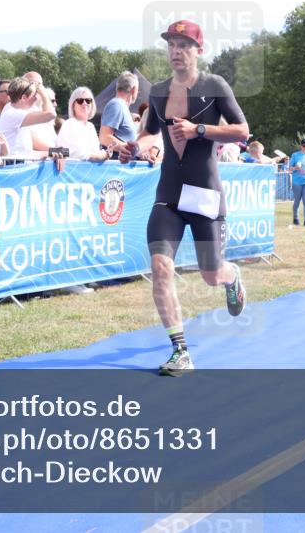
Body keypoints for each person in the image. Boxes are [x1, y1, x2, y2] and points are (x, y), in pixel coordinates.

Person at [114, 19, 249, 376]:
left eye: (184, 45)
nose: (176, 51)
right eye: (172, 44)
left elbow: (242, 131)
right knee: (161, 267)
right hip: (169, 196)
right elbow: (150, 133)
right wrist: (134, 147)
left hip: (204, 195)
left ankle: (230, 275)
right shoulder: (158, 92)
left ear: (198, 50)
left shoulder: (214, 85)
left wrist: (199, 129)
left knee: (211, 274)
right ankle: (180, 351)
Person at [0, 76, 57, 158]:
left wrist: (60, 152)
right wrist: (44, 93)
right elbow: (51, 114)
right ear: (23, 97)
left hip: (16, 163)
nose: (36, 98)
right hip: (13, 165)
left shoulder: (13, 112)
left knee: (64, 152)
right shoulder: (13, 114)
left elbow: (27, 152)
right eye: (34, 95)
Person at [57, 86, 108, 161]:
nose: (84, 103)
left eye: (88, 100)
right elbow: (78, 154)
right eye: (80, 100)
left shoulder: (90, 126)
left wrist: (105, 153)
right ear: (73, 105)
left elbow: (95, 152)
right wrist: (102, 155)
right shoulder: (70, 124)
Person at [99, 71, 139, 148]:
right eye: (138, 90)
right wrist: (128, 148)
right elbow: (104, 138)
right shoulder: (116, 105)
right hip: (116, 156)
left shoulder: (121, 106)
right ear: (133, 90)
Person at [289, 138, 305, 227]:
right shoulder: (295, 155)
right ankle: (295, 218)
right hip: (297, 182)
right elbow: (289, 168)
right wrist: (296, 168)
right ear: (301, 146)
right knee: (297, 201)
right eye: (304, 146)